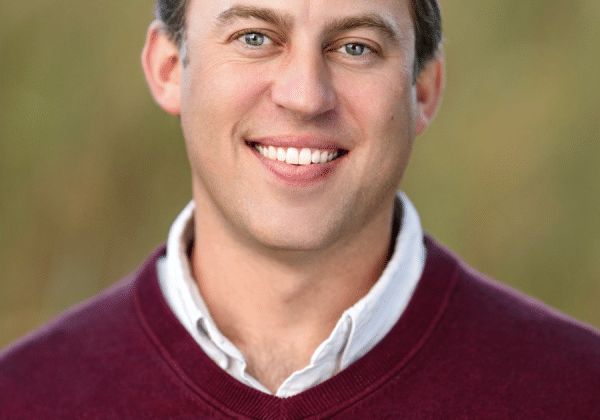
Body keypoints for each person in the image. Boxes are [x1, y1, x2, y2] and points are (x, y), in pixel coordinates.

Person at [1, 0, 599, 417]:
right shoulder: (23, 399)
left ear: (423, 91)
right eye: (255, 37)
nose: (306, 96)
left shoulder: (579, 392)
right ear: (168, 68)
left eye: (356, 47)